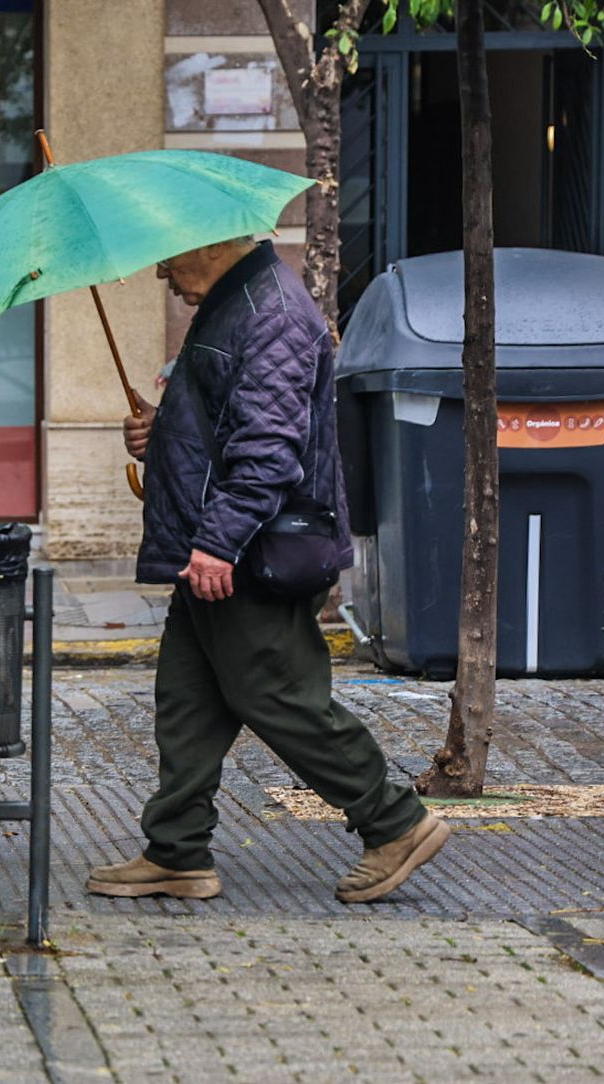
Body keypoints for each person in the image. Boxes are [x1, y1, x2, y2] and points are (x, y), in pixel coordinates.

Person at [87, 237, 449, 904]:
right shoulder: (235, 303)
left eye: (169, 258)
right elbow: (226, 422)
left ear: (215, 245)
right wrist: (160, 429)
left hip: (250, 555)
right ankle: (177, 852)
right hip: (218, 549)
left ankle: (395, 821)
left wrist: (220, 543)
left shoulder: (271, 312)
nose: (163, 271)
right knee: (187, 700)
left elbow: (269, 449)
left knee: (279, 694)